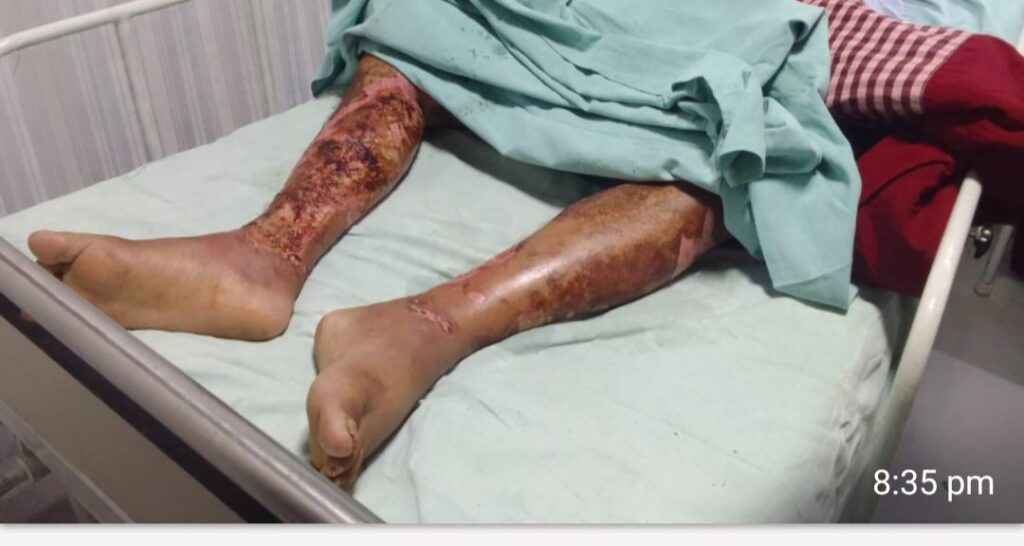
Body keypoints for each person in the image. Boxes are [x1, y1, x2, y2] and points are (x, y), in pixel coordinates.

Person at [25, 55, 726, 488]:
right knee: (409, 59)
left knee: (726, 165)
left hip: (695, 53)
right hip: (558, 30)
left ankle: (428, 325)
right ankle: (264, 253)